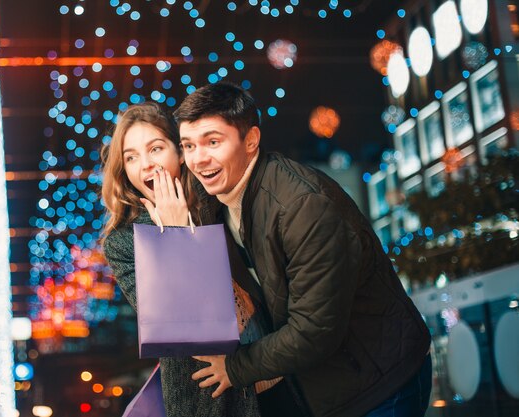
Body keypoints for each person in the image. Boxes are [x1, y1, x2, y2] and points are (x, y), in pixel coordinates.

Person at [173, 82, 432, 417]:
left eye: (212, 141)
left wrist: (234, 368)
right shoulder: (215, 196)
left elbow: (315, 330)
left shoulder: (302, 206)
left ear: (250, 141)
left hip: (382, 381)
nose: (198, 159)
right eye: (188, 145)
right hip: (329, 385)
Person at [101, 102, 289, 417]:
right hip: (209, 394)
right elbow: (176, 326)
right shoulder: (123, 242)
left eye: (156, 149)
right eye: (131, 157)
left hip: (279, 366)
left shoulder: (218, 199)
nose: (145, 165)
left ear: (179, 152)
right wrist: (176, 235)